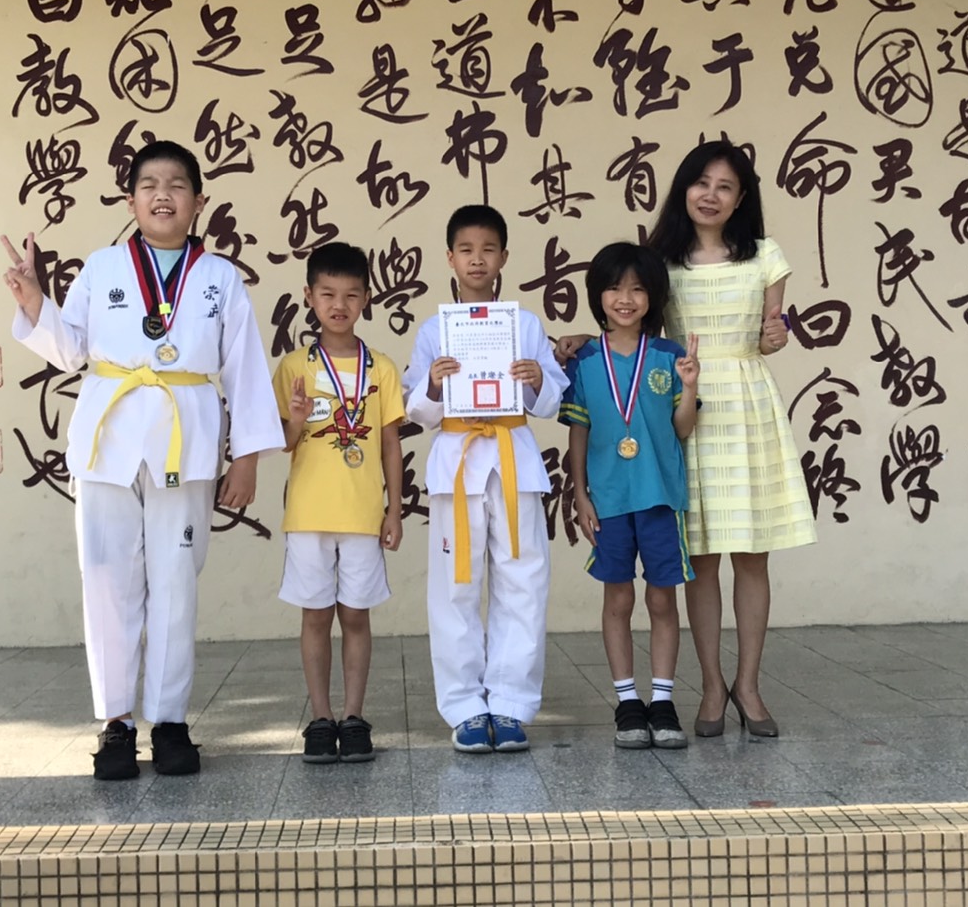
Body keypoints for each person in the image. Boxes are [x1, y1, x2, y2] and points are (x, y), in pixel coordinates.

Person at [3, 139, 284, 779]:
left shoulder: (219, 278)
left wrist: (247, 458)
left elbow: (244, 371)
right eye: (149, 185)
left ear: (199, 202)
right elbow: (70, 351)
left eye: (177, 185)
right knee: (106, 579)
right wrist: (34, 303)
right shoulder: (102, 267)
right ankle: (116, 723)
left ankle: (171, 720)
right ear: (130, 200)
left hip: (186, 440)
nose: (163, 195)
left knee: (176, 581)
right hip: (108, 441)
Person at [558, 140, 815, 738]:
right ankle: (711, 686)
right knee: (696, 556)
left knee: (751, 554)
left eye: (725, 186)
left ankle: (748, 685)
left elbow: (772, 330)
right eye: (701, 183)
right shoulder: (660, 259)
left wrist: (775, 338)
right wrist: (583, 340)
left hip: (744, 403)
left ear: (741, 198)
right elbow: (632, 325)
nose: (710, 195)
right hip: (672, 408)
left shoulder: (766, 256)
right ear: (683, 189)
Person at [403, 205, 568, 753]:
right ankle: (465, 707)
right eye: (466, 250)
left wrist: (536, 377)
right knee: (455, 586)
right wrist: (432, 383)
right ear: (450, 258)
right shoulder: (434, 331)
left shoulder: (525, 325)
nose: (477, 259)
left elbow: (550, 400)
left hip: (513, 459)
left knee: (523, 581)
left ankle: (511, 704)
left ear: (503, 258)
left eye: (488, 249)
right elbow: (417, 409)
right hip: (457, 463)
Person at [559, 243, 699, 750]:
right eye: (615, 288)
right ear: (598, 295)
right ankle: (627, 703)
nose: (626, 298)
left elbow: (682, 428)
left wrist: (689, 386)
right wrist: (580, 495)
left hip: (660, 497)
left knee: (662, 599)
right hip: (609, 500)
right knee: (617, 598)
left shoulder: (669, 356)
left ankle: (662, 700)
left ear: (652, 297)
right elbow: (578, 432)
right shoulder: (584, 360)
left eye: (638, 289)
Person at [272, 242, 405, 765]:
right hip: (309, 514)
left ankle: (353, 717)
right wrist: (296, 418)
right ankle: (321, 718)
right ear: (309, 297)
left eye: (351, 295)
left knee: (355, 616)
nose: (339, 305)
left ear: (366, 299)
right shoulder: (294, 367)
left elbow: (390, 443)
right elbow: (285, 442)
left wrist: (394, 510)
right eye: (327, 294)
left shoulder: (381, 368)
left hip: (363, 514)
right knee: (315, 616)